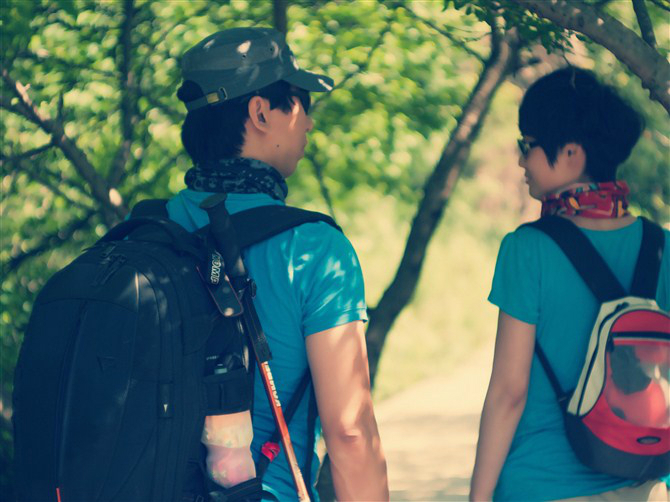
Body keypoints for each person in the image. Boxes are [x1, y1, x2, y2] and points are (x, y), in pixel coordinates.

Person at [170, 27, 388, 501]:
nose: (308, 122)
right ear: (260, 112)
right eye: (299, 103)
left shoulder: (153, 228)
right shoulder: (313, 249)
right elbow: (349, 431)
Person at [469, 67, 670, 501]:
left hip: (542, 484)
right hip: (643, 485)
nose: (521, 160)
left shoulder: (528, 249)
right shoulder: (662, 248)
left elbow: (509, 392)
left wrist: (478, 498)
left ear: (572, 152)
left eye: (528, 145)